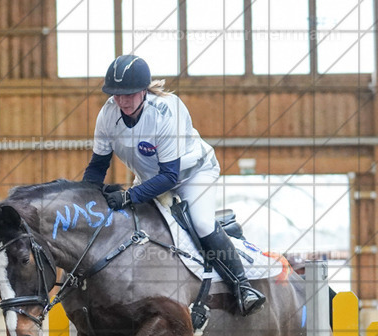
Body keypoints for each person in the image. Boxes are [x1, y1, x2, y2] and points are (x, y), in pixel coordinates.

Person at [81, 54, 265, 316]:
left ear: (144, 90)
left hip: (192, 174)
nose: (122, 101)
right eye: (116, 95)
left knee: (201, 223)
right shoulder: (108, 114)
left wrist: (129, 196)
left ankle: (242, 286)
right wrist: (84, 200)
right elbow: (98, 166)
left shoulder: (166, 111)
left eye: (129, 94)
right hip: (150, 179)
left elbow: (169, 176)